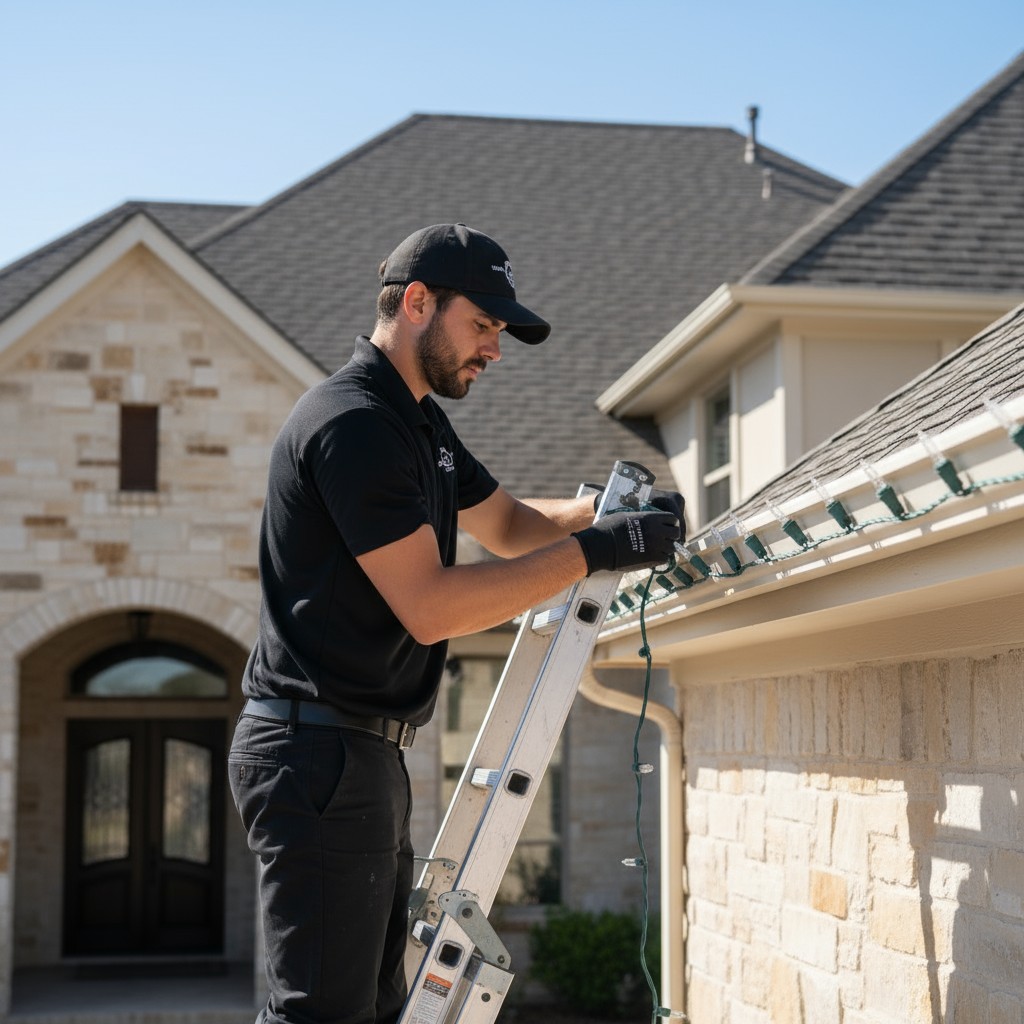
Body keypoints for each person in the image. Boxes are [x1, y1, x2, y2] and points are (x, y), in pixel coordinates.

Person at [229, 223, 684, 1024]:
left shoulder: (418, 425)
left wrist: (615, 514)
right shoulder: (354, 423)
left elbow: (508, 524)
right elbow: (433, 606)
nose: (495, 351)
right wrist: (594, 550)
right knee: (320, 1013)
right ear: (415, 303)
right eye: (483, 326)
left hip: (357, 754)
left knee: (365, 1008)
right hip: (315, 753)